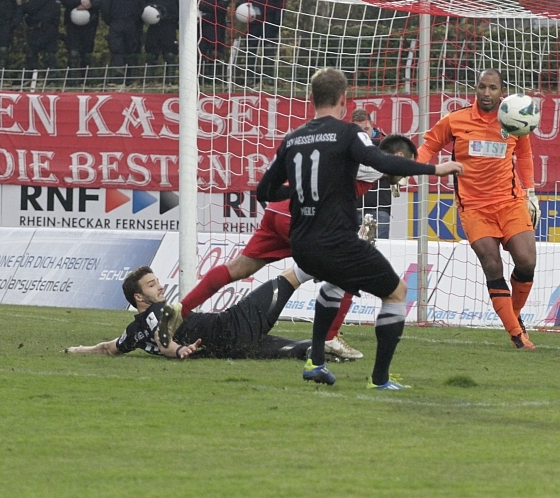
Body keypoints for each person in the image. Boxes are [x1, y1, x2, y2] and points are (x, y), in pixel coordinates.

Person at [256, 67, 463, 389]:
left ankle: (316, 362)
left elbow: (264, 191)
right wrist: (435, 169)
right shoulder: (349, 133)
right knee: (396, 293)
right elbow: (383, 162)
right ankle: (380, 379)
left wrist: (298, 191)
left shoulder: (293, 138)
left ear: (311, 98)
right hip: (336, 240)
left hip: (302, 242)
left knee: (336, 285)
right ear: (343, 98)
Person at [172, 133, 421, 361]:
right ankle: (329, 337)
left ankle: (178, 313)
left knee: (238, 268)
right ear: (398, 157)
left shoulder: (361, 160)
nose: (405, 176)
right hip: (302, 216)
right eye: (406, 169)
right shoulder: (372, 160)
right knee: (349, 268)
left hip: (278, 210)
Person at [416, 68, 540, 350]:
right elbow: (429, 146)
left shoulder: (514, 117)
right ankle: (517, 335)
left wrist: (531, 193)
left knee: (527, 262)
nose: (486, 93)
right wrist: (407, 169)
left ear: (501, 91)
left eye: (492, 88)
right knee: (492, 265)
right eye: (482, 87)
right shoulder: (456, 120)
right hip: (473, 207)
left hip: (510, 202)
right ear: (475, 88)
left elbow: (524, 154)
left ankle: (514, 316)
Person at [65, 266, 311, 360]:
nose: (160, 287)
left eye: (157, 281)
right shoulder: (158, 311)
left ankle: (325, 348)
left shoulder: (134, 332)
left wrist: (78, 350)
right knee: (291, 276)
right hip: (233, 326)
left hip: (230, 350)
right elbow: (164, 341)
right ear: (138, 297)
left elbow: (109, 348)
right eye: (152, 285)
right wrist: (178, 350)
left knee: (304, 349)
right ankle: (324, 261)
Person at [351, 108, 394, 239]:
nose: (363, 134)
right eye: (358, 130)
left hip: (380, 208)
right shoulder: (348, 145)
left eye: (366, 129)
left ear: (372, 124)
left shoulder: (387, 144)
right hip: (353, 207)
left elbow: (395, 171)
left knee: (381, 247)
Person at [100, 0, 145, 71]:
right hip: (132, 25)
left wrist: (110, 22)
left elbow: (104, 7)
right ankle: (130, 77)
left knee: (117, 52)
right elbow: (141, 8)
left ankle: (118, 77)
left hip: (116, 23)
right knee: (130, 52)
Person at [61, 0, 102, 67]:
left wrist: (91, 4)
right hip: (72, 24)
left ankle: (86, 76)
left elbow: (103, 1)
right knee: (73, 53)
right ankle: (71, 76)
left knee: (87, 54)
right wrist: (78, 2)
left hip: (90, 23)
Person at [22, 0, 62, 69]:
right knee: (50, 53)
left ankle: (33, 75)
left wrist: (22, 8)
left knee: (32, 52)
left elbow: (31, 7)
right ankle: (53, 75)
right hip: (53, 27)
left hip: (40, 27)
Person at [144, 0, 178, 65]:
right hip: (153, 25)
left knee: (170, 54)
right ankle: (149, 75)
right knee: (151, 54)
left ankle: (170, 76)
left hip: (169, 25)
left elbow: (179, 5)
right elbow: (143, 4)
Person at [198, 0, 230, 76]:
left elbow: (221, 7)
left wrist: (204, 6)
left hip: (217, 24)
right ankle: (201, 76)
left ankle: (214, 76)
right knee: (200, 50)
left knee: (215, 52)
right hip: (202, 24)